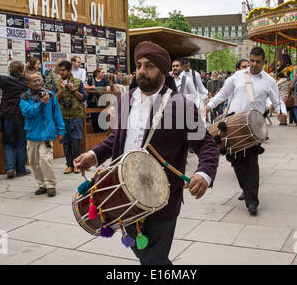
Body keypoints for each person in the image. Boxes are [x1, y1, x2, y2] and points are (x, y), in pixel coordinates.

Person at [74, 41, 219, 265]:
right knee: (148, 256)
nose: (142, 71)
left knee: (153, 260)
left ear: (163, 71)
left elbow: (207, 145)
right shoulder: (125, 99)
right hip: (123, 194)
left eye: (149, 66)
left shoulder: (179, 105)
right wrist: (93, 155)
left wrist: (204, 173)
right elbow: (117, 139)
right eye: (139, 65)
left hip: (162, 198)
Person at [206, 47, 287, 216]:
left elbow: (277, 101)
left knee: (251, 162)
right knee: (235, 161)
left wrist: (282, 113)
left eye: (258, 61)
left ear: (264, 62)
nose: (254, 64)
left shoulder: (269, 80)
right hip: (232, 123)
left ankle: (252, 201)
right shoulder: (237, 76)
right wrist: (210, 105)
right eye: (251, 60)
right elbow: (223, 93)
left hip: (253, 126)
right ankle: (245, 188)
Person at [20, 73, 66, 197]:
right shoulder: (24, 97)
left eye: (39, 80)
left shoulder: (50, 95)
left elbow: (57, 114)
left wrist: (61, 130)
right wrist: (41, 103)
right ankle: (42, 185)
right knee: (34, 162)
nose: (37, 83)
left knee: (45, 160)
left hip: (47, 134)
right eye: (33, 81)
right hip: (32, 134)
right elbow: (28, 113)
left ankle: (50, 185)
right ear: (28, 83)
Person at [0, 61, 30, 179]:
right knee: (21, 143)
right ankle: (21, 169)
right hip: (21, 115)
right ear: (21, 70)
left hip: (7, 115)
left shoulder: (6, 81)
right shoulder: (25, 82)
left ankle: (9, 168)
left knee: (8, 143)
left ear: (10, 70)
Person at [55, 61, 87, 175]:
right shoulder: (57, 82)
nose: (61, 72)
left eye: (63, 70)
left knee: (76, 141)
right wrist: (61, 89)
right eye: (60, 70)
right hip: (62, 116)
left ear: (69, 71)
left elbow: (83, 98)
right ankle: (69, 165)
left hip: (76, 115)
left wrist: (73, 89)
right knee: (66, 142)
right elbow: (54, 99)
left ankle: (77, 164)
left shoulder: (78, 82)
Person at [87, 67, 110, 133]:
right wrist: (90, 87)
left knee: (102, 117)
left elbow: (108, 86)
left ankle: (103, 131)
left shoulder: (105, 80)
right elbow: (85, 86)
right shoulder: (91, 79)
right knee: (94, 118)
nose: (103, 74)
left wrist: (108, 87)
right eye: (102, 72)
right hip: (92, 103)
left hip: (102, 102)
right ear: (97, 73)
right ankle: (96, 132)